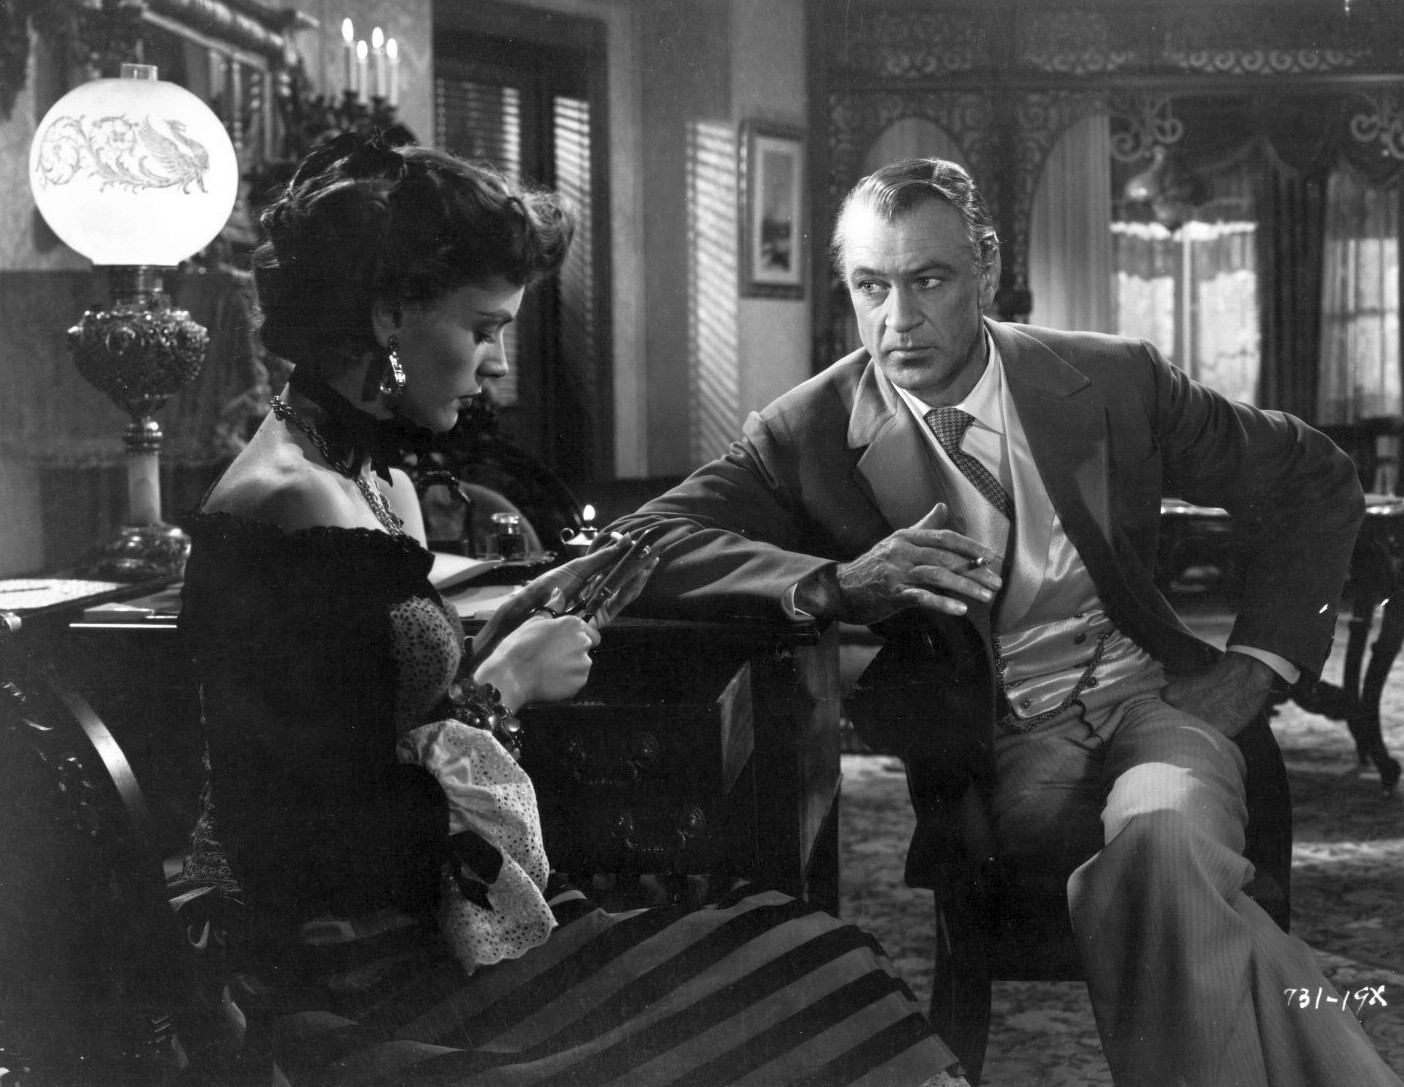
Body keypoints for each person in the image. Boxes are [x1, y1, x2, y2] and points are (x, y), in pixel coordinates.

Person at [175, 133, 965, 1087]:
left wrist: (495, 637)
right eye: (483, 328)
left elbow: (375, 718)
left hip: (432, 919)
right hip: (359, 968)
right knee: (813, 997)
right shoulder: (287, 505)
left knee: (826, 957)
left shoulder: (377, 480)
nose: (497, 362)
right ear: (389, 315)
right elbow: (322, 840)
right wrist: (502, 690)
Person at [602, 157, 1404, 1087]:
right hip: (1008, 745)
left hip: (1159, 700)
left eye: (928, 280)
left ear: (984, 264)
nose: (898, 320)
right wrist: (836, 582)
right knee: (1168, 877)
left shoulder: (1113, 378)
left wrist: (1255, 667)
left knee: (1164, 838)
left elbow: (1313, 475)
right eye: (871, 287)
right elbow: (641, 540)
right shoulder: (808, 430)